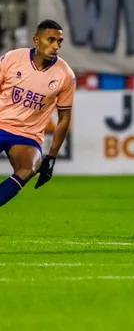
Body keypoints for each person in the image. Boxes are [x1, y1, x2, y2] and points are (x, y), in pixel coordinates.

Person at [0, 21, 75, 208]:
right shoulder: (12, 59)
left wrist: (51, 158)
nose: (56, 46)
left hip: (27, 135)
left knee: (29, 168)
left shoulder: (65, 75)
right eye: (51, 40)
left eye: (59, 41)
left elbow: (64, 118)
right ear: (36, 40)